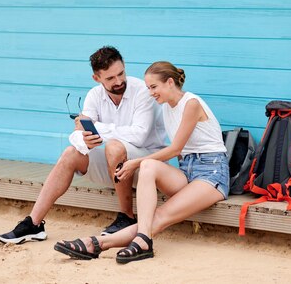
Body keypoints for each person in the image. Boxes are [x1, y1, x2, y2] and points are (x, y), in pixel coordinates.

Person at [53, 60, 229, 263]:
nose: (150, 93)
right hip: (187, 171)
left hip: (211, 173)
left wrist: (134, 162)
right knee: (148, 166)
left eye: (154, 87)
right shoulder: (166, 108)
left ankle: (98, 244)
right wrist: (141, 162)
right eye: (148, 88)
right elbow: (181, 154)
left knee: (160, 214)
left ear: (170, 82)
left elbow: (175, 149)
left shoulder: (191, 104)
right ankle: (141, 239)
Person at [0, 47, 166, 244]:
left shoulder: (142, 91)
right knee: (71, 153)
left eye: (121, 74)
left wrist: (97, 128)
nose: (119, 81)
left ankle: (126, 216)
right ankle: (33, 224)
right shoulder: (94, 95)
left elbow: (139, 135)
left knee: (113, 147)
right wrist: (84, 139)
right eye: (110, 78)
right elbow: (77, 134)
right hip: (117, 169)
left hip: (147, 166)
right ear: (97, 78)